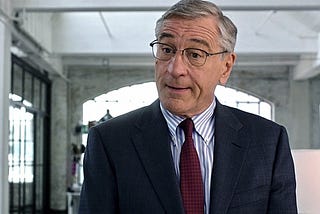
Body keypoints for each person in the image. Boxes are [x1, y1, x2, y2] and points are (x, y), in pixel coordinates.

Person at [79, 0, 297, 213]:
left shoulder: (268, 141)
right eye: (167, 50)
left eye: (195, 54)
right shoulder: (110, 141)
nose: (175, 69)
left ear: (226, 67)